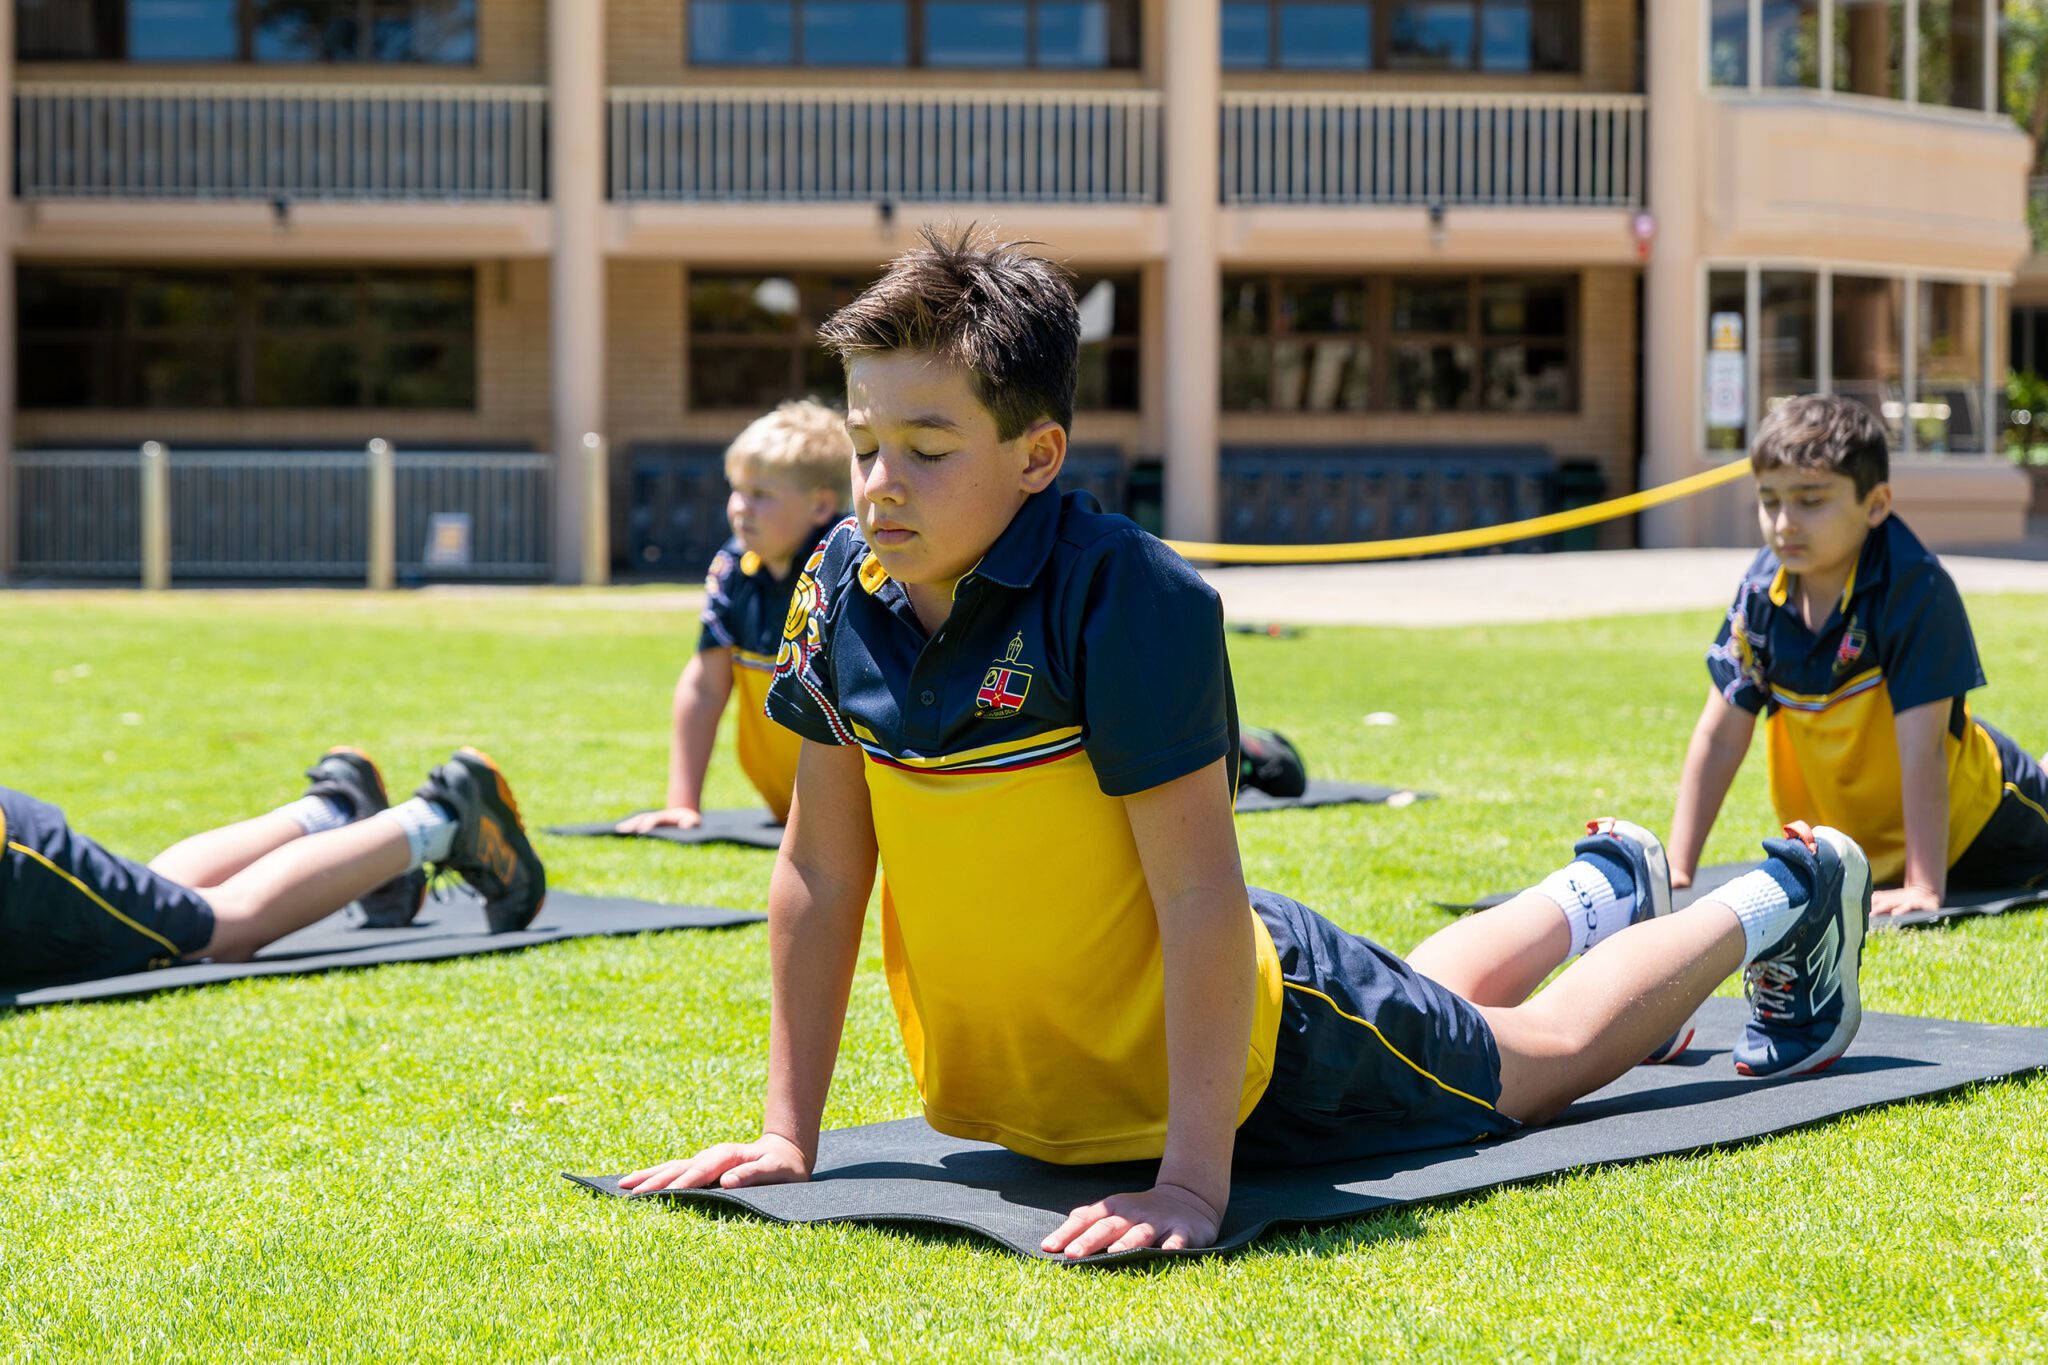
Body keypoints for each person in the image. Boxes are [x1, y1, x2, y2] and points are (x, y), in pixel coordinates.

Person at [617, 228, 1870, 1257]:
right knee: (1429, 1005)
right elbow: (821, 873)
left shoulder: (1129, 599)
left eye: (928, 449)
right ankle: (1596, 890)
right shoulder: (836, 584)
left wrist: (1192, 1184)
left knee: (1532, 1065)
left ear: (1036, 455)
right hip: (1048, 1097)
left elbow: (1198, 895)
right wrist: (788, 1133)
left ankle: (1784, 893)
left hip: (1271, 1052)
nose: (880, 481)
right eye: (865, 442)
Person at [1669, 393, 2048, 918]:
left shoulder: (1914, 588)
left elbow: (1924, 748)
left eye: (1811, 500)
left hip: (1988, 826)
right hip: (1860, 850)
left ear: (1876, 504)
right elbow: (1720, 732)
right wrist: (1679, 866)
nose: (1785, 523)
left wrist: (1923, 887)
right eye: (1771, 500)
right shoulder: (1760, 596)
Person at [2, 747, 545, 984]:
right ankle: (335, 811)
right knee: (158, 899)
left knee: (220, 927)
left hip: (16, 863)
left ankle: (445, 818)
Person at [619, 401, 851, 833]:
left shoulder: (850, 571)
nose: (741, 507)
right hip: (782, 803)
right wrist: (683, 803)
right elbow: (706, 686)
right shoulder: (732, 567)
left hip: (853, 810)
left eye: (761, 495)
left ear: (821, 506)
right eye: (738, 489)